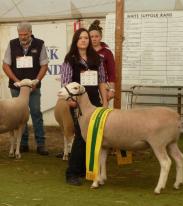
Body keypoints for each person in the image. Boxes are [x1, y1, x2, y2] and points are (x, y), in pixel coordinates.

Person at [60, 28, 108, 185]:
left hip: (95, 103)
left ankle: (86, 169)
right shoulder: (69, 60)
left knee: (95, 136)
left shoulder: (98, 59)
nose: (83, 40)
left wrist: (105, 102)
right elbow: (66, 83)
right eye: (80, 38)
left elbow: (101, 81)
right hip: (78, 104)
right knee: (81, 136)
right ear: (76, 40)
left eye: (86, 38)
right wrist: (69, 101)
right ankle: (72, 173)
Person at [2, 21, 49, 155]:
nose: (22, 37)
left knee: (35, 113)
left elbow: (44, 66)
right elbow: (5, 65)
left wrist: (35, 82)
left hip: (33, 87)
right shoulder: (12, 44)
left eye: (25, 34)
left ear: (30, 32)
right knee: (18, 116)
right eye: (20, 34)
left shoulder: (39, 44)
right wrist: (18, 82)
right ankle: (23, 144)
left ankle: (41, 144)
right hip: (16, 87)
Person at [88, 19, 116, 101]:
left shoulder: (107, 52)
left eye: (96, 36)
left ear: (101, 37)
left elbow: (112, 73)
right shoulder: (84, 51)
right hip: (88, 86)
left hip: (103, 86)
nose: (94, 39)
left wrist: (112, 89)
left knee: (102, 111)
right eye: (91, 37)